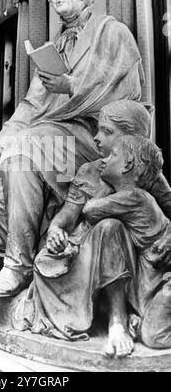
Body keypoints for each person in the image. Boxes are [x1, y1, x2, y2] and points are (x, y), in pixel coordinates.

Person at [0, 0, 144, 298]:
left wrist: (71, 86)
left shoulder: (112, 32)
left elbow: (127, 96)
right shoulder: (54, 47)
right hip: (56, 144)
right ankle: (50, 268)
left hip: (95, 140)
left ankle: (17, 267)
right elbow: (31, 105)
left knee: (29, 145)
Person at [11, 100, 171, 358]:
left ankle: (117, 321)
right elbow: (68, 215)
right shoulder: (89, 171)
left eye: (107, 132)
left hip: (132, 258)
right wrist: (55, 230)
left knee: (110, 227)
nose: (96, 138)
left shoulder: (148, 174)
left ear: (131, 141)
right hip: (84, 256)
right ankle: (115, 313)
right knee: (60, 253)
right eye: (98, 129)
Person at [83, 135, 171, 352]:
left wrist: (104, 184)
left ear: (128, 164)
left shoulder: (133, 196)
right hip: (147, 269)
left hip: (160, 273)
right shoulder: (134, 196)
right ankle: (132, 317)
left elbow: (89, 210)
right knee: (150, 332)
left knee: (154, 338)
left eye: (113, 155)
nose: (103, 160)